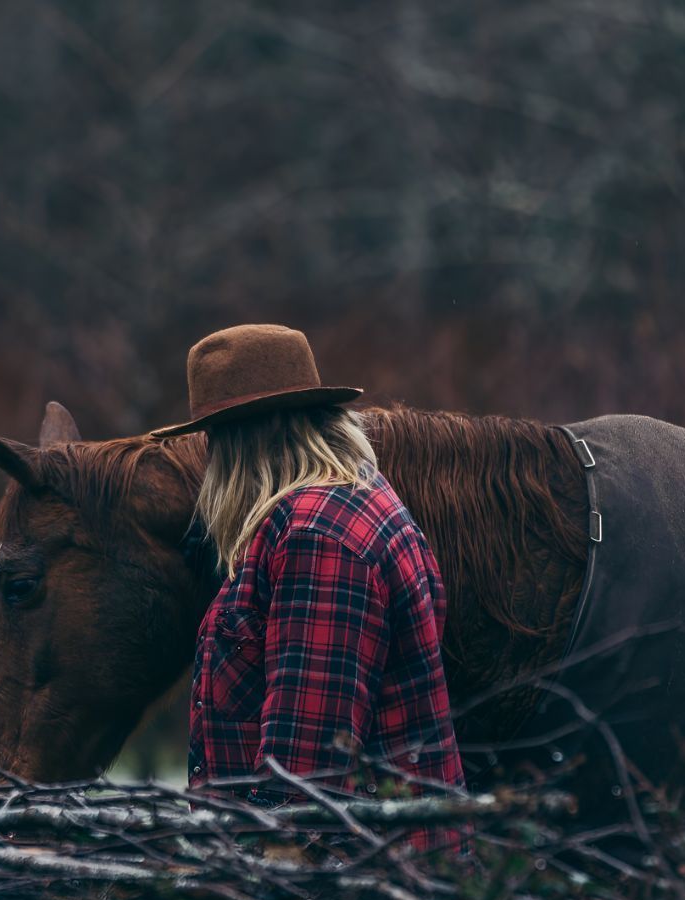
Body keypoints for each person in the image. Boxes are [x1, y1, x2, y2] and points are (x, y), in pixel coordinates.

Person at [152, 324, 466, 850]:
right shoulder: (348, 503)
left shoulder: (317, 540)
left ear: (242, 442)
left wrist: (259, 887)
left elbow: (304, 787)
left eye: (215, 440)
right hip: (366, 886)